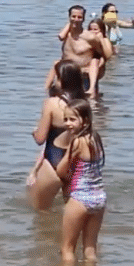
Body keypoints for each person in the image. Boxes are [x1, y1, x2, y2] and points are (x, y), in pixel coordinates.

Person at [28, 60, 85, 211]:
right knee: (72, 211)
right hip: (75, 163)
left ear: (63, 80)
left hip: (53, 160)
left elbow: (40, 139)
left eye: (57, 77)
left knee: (40, 214)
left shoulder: (51, 103)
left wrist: (34, 132)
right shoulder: (84, 105)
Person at [55, 99, 106, 264]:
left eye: (72, 119)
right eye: (65, 119)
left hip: (80, 199)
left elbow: (61, 170)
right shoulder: (96, 139)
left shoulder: (77, 141)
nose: (68, 124)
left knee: (67, 249)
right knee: (90, 249)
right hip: (99, 198)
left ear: (85, 120)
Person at [45, 5, 113, 97]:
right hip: (66, 76)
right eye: (73, 16)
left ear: (83, 19)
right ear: (69, 18)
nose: (76, 19)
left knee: (90, 106)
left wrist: (95, 68)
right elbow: (60, 37)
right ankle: (43, 90)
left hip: (83, 78)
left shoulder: (90, 38)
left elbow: (103, 56)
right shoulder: (66, 34)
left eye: (79, 17)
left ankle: (92, 91)